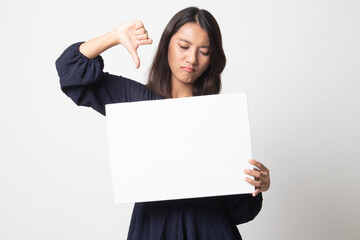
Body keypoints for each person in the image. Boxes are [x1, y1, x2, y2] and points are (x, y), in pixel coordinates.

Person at [56, 6, 270, 240]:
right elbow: (71, 73)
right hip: (154, 230)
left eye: (204, 51)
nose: (191, 59)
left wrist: (255, 187)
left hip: (210, 230)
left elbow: (239, 212)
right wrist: (115, 36)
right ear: (167, 43)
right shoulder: (138, 101)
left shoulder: (221, 118)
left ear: (212, 59)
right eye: (184, 46)